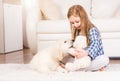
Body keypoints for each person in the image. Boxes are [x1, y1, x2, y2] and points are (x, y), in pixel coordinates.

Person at [61, 4, 109, 71]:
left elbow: (95, 45)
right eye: (72, 23)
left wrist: (86, 52)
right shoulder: (77, 31)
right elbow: (74, 44)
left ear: (84, 18)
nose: (75, 25)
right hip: (80, 58)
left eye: (77, 21)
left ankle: (77, 68)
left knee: (104, 59)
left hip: (92, 58)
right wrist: (72, 51)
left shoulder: (92, 30)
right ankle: (78, 67)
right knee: (64, 57)